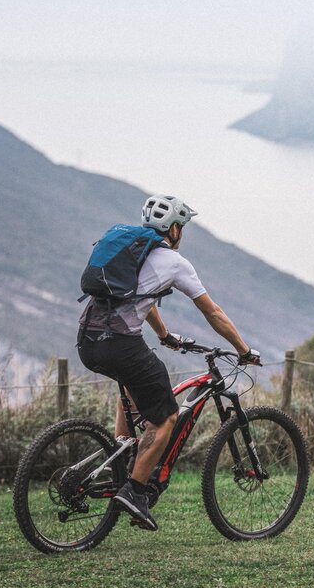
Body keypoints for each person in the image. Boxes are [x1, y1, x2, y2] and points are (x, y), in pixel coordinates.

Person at [76, 194, 260, 531]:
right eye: (183, 228)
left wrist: (164, 335)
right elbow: (212, 312)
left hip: (88, 341)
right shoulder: (175, 263)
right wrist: (244, 350)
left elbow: (141, 298)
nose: (182, 234)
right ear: (174, 229)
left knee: (133, 389)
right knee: (166, 418)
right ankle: (135, 491)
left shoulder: (131, 254)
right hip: (119, 345)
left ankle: (124, 457)